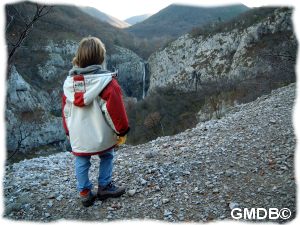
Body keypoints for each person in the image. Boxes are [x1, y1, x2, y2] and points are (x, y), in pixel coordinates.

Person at [62, 37, 130, 207]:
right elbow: (115, 112)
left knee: (81, 161)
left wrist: (68, 132)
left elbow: (66, 112)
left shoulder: (69, 84)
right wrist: (121, 131)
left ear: (79, 58)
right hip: (101, 135)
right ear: (101, 58)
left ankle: (84, 192)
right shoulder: (108, 83)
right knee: (107, 155)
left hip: (78, 135)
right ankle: (105, 186)